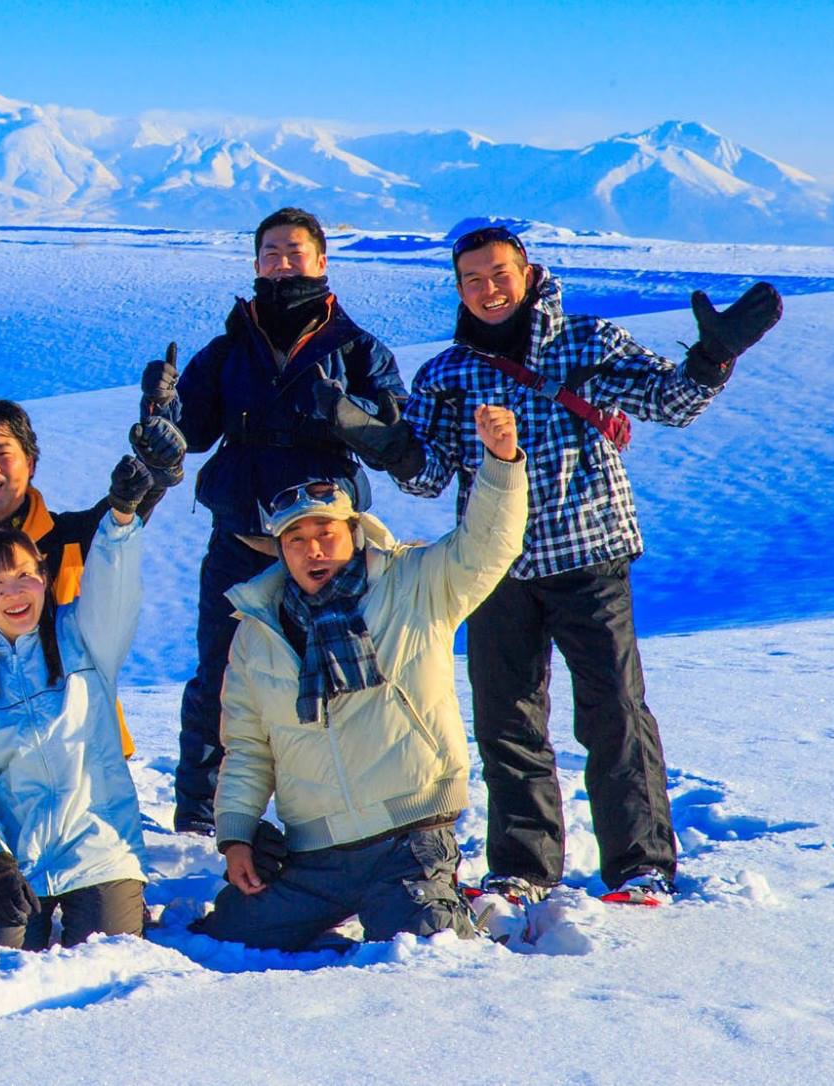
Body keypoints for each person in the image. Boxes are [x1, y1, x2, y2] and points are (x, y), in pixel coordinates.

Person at [320, 219, 782, 906]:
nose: (487, 290)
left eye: (499, 274)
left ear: (529, 273)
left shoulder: (586, 343)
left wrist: (711, 359)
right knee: (507, 720)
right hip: (493, 568)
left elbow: (669, 402)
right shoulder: (447, 373)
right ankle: (524, 866)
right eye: (471, 280)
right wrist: (391, 448)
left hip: (588, 555)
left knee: (614, 713)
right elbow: (429, 477)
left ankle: (640, 866)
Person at [193, 407, 527, 950]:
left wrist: (501, 462)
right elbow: (249, 748)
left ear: (355, 531)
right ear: (279, 549)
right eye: (295, 539)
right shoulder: (258, 632)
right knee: (224, 937)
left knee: (422, 945)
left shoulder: (415, 583)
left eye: (325, 532)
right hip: (314, 855)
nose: (313, 550)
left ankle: (453, 909)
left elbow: (488, 544)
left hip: (409, 837)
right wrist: (236, 836)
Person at [139, 206, 406, 837]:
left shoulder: (358, 347)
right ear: (255, 263)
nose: (282, 264)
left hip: (325, 553)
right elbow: (190, 434)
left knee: (339, 678)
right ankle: (201, 821)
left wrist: (344, 412)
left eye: (294, 251)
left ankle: (343, 813)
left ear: (321, 260)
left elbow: (398, 439)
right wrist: (158, 411)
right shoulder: (230, 348)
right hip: (242, 540)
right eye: (270, 253)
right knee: (219, 680)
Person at [0, 398, 182, 886]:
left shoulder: (71, 538)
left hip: (78, 767)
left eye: (3, 452)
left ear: (30, 460)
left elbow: (122, 519)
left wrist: (157, 467)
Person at [0, 454, 163, 950]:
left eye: (25, 576)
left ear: (45, 578)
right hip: (13, 858)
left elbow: (113, 586)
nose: (14, 593)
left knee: (105, 959)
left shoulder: (83, 637)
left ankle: (126, 900)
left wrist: (119, 517)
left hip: (98, 845)